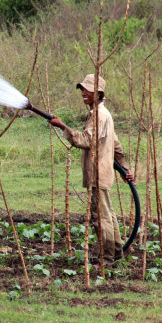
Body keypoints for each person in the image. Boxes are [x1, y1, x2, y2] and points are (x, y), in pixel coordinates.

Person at [48, 74, 134, 267]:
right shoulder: (103, 114)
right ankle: (116, 255)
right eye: (83, 89)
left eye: (88, 90)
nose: (84, 93)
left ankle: (107, 260)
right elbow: (116, 145)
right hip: (102, 173)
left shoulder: (99, 116)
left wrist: (62, 126)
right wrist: (124, 168)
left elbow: (87, 140)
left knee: (101, 217)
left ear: (99, 93)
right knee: (108, 215)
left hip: (98, 173)